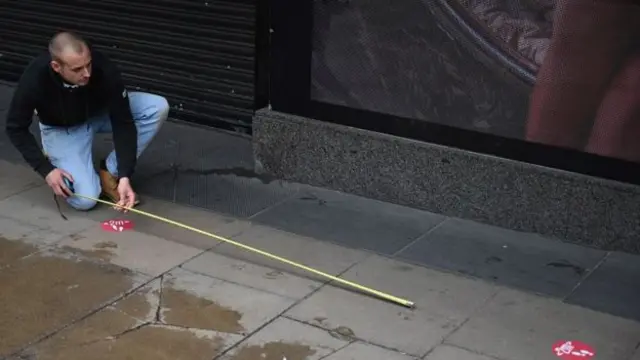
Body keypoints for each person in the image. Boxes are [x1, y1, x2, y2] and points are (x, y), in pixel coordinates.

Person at [5, 31, 168, 211]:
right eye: (77, 69)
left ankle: (110, 172)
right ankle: (57, 155)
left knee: (156, 107)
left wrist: (124, 175)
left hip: (99, 114)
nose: (86, 74)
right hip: (63, 129)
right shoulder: (35, 77)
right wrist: (46, 170)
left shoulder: (104, 68)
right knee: (86, 200)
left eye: (88, 65)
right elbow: (15, 128)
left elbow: (123, 122)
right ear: (56, 67)